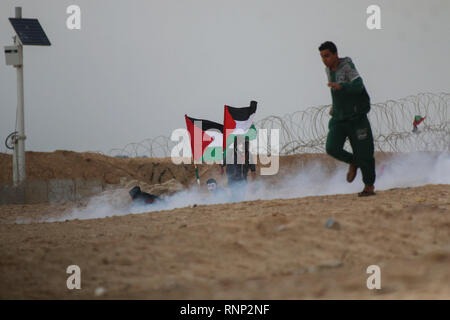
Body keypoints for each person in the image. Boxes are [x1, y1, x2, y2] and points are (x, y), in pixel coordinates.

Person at [318, 41, 376, 197]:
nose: (325, 59)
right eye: (322, 57)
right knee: (332, 147)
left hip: (356, 118)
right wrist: (334, 105)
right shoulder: (328, 70)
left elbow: (358, 86)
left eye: (327, 56)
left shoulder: (347, 67)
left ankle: (369, 186)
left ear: (336, 54)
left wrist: (342, 87)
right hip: (339, 117)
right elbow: (335, 93)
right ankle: (352, 161)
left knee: (364, 152)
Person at [219, 136, 256, 201]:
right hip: (232, 180)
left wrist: (253, 184)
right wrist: (221, 170)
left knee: (242, 198)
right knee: (235, 197)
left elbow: (253, 170)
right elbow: (221, 164)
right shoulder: (230, 153)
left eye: (247, 143)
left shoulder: (249, 155)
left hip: (243, 180)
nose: (246, 145)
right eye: (244, 143)